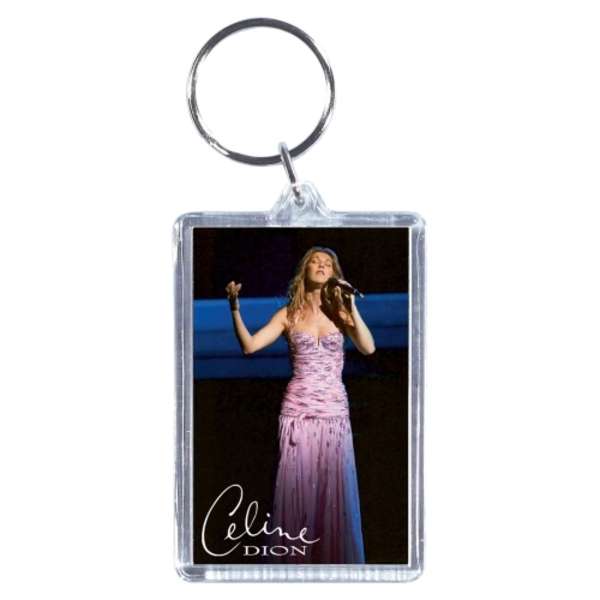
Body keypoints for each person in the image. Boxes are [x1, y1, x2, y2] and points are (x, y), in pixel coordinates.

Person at [225, 246, 376, 563]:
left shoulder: (341, 313)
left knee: (334, 492)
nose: (321, 265)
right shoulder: (288, 315)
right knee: (298, 490)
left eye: (327, 264)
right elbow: (250, 346)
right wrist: (234, 308)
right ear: (304, 271)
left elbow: (368, 348)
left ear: (333, 274)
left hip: (334, 412)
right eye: (315, 261)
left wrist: (351, 306)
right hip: (298, 412)